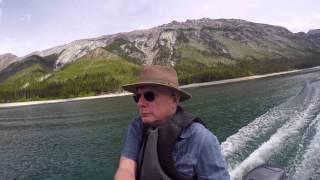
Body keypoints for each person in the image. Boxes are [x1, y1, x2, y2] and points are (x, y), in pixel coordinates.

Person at [114, 65, 230, 180]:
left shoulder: (200, 138)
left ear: (174, 100)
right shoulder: (137, 128)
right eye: (138, 97)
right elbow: (126, 168)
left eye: (149, 96)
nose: (140, 103)